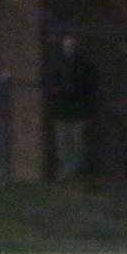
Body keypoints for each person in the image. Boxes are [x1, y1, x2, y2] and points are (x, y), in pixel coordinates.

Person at [46, 34, 98, 182]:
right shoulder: (57, 64)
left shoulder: (85, 65)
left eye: (73, 46)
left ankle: (72, 171)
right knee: (63, 142)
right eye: (67, 46)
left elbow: (90, 89)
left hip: (78, 111)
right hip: (62, 110)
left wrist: (88, 111)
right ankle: (66, 170)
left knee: (78, 143)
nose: (70, 49)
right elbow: (51, 85)